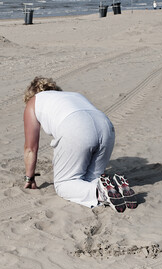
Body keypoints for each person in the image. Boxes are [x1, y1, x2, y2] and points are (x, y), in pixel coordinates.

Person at [22, 77, 136, 212]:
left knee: (64, 184)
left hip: (75, 126)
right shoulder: (74, 95)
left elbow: (31, 149)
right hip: (105, 125)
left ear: (31, 94)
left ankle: (100, 192)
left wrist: (29, 178)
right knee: (90, 179)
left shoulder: (33, 102)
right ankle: (115, 188)